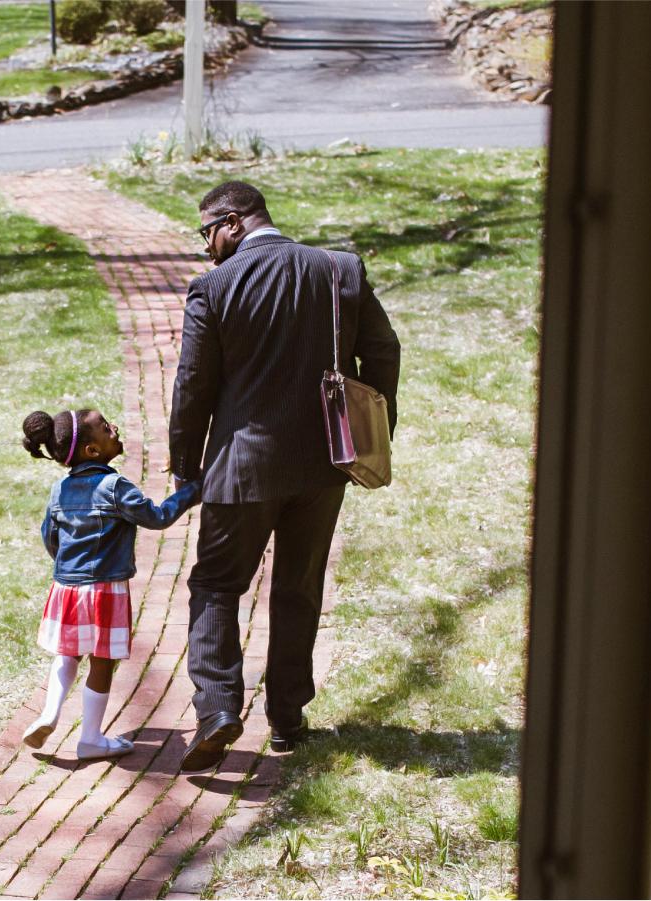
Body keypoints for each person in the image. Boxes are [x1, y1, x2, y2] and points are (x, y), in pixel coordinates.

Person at [170, 181, 401, 772]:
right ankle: (288, 720)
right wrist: (375, 426)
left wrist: (185, 466)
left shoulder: (213, 288)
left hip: (240, 468)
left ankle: (219, 707)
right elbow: (383, 350)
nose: (207, 250)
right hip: (325, 462)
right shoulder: (338, 270)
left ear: (232, 222)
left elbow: (193, 386)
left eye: (207, 236)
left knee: (218, 586)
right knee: (298, 588)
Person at [20, 407, 201, 760]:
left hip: (67, 588)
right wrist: (194, 490)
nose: (114, 427)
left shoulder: (60, 490)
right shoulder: (114, 486)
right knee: (102, 663)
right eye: (105, 427)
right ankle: (90, 738)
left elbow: (50, 538)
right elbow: (158, 517)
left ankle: (49, 712)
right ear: (92, 450)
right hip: (105, 591)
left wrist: (68, 567)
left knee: (67, 652)